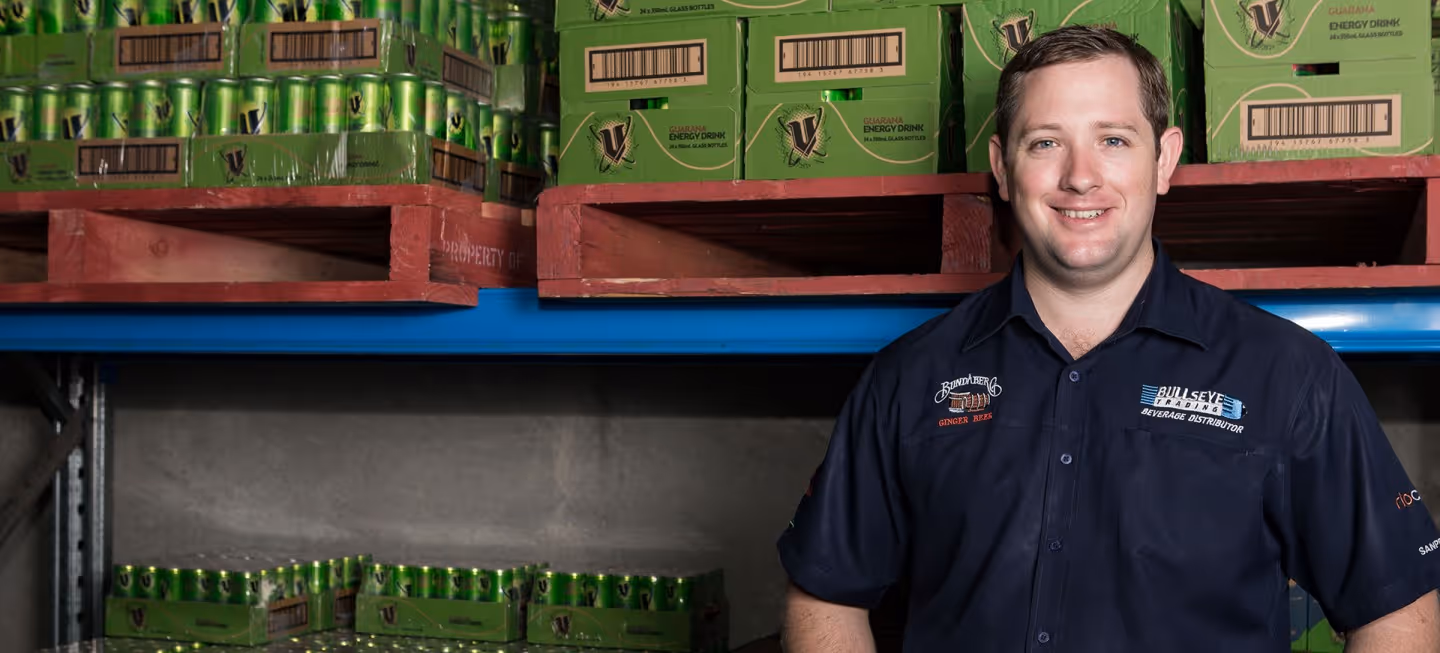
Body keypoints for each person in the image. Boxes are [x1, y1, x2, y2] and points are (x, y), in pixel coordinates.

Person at [776, 25, 1440, 652]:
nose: (1080, 176)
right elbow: (826, 598)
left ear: (1165, 159)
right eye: (1045, 143)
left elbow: (1398, 611)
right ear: (1001, 167)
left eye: (1114, 140)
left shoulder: (1287, 372)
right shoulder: (909, 376)